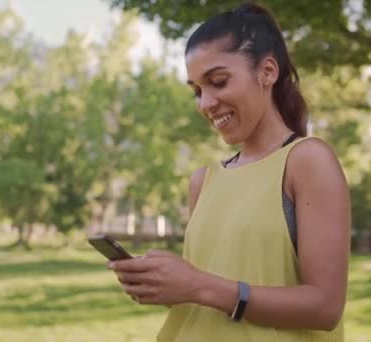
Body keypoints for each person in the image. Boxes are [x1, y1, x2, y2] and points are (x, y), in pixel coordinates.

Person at [108, 3, 350, 341]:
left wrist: (197, 285)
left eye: (218, 82)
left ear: (267, 71)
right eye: (196, 90)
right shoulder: (203, 181)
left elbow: (325, 307)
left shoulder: (307, 160)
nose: (205, 103)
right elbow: (210, 298)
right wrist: (166, 283)